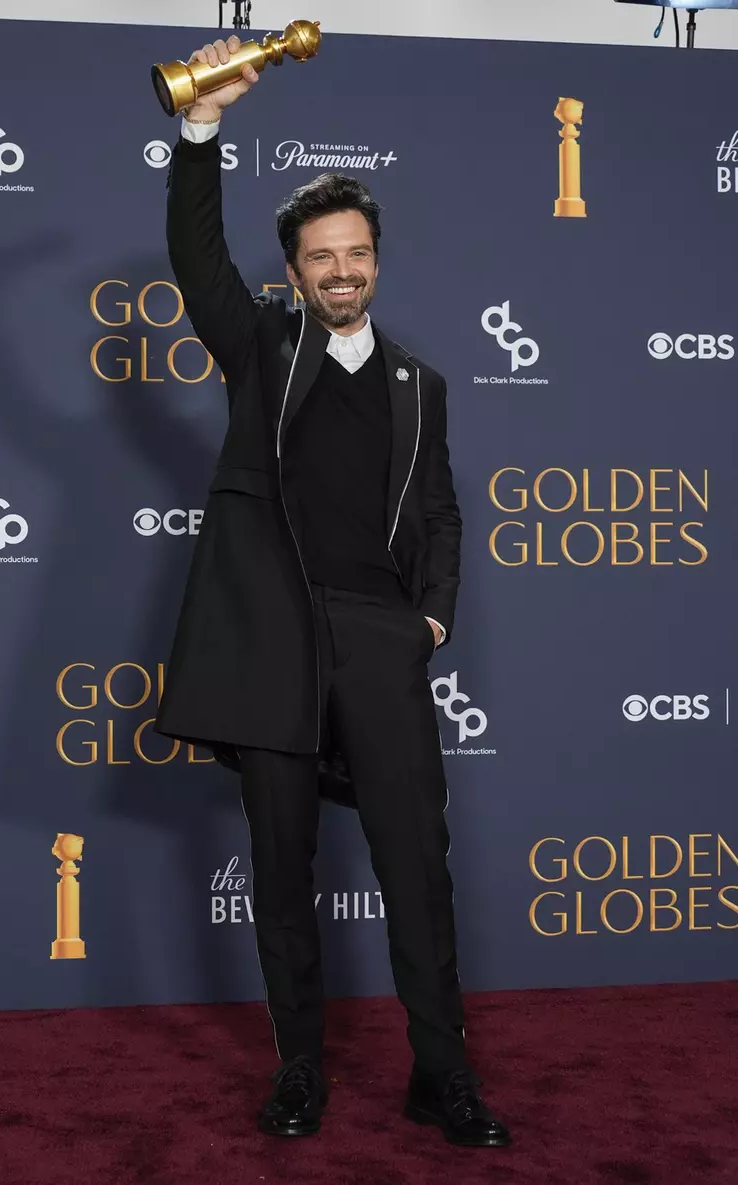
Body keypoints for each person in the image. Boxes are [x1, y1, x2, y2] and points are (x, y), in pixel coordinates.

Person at [154, 34, 510, 1150]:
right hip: (272, 639)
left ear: (375, 259)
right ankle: (299, 1072)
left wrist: (431, 618)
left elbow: (442, 511)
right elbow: (195, 257)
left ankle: (439, 1075)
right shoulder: (262, 345)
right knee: (280, 866)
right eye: (321, 258)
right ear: (295, 271)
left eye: (356, 253)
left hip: (377, 640)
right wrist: (205, 123)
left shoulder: (423, 385)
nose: (342, 271)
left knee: (417, 863)